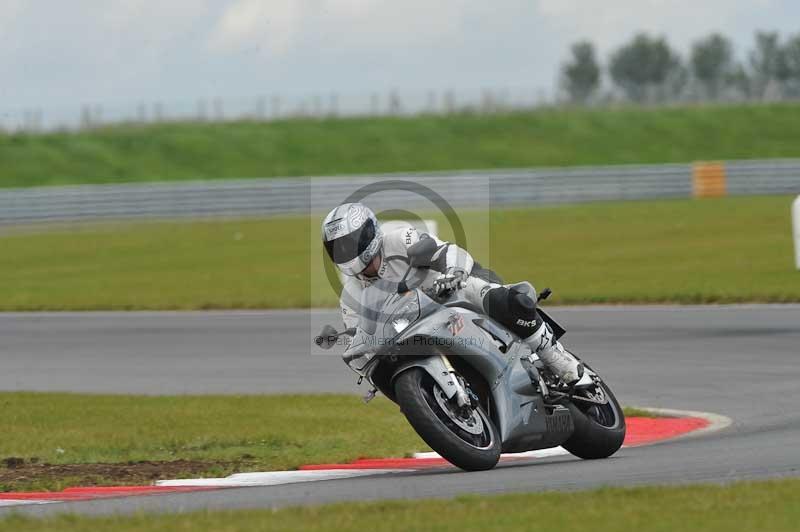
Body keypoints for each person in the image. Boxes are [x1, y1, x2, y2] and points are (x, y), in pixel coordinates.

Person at [321, 202, 583, 384]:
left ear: (370, 232)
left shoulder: (400, 239)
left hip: (452, 294)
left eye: (349, 243)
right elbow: (360, 339)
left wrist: (454, 273)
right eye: (338, 248)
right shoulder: (350, 294)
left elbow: (445, 251)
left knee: (478, 290)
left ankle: (558, 359)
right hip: (415, 330)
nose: (345, 252)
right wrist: (353, 351)